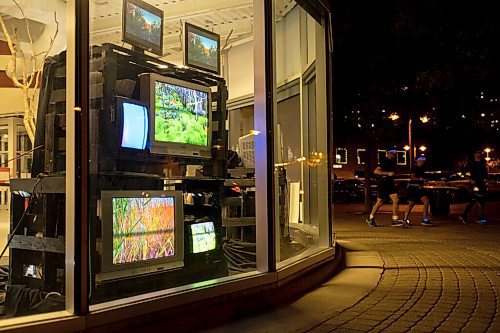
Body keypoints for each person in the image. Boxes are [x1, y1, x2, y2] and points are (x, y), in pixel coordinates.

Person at [366, 149, 401, 227]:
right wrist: (388, 173)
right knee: (380, 202)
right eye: (392, 153)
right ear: (389, 153)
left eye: (395, 153)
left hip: (390, 184)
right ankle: (371, 217)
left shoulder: (392, 162)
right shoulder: (384, 161)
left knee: (396, 200)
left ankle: (395, 220)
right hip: (383, 184)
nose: (394, 155)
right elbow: (376, 171)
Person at [459, 150, 488, 224]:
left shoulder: (483, 163)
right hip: (474, 184)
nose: (478, 154)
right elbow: (464, 174)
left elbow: (485, 174)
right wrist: (470, 179)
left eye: (479, 153)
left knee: (481, 201)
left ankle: (479, 218)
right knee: (473, 200)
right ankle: (464, 216)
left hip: (482, 184)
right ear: (474, 154)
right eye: (477, 153)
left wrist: (486, 179)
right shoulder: (471, 164)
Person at [403, 157, 432, 227]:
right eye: (421, 160)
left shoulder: (422, 169)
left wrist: (425, 181)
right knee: (411, 204)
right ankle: (405, 219)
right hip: (413, 188)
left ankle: (425, 219)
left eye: (423, 161)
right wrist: (421, 179)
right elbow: (412, 177)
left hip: (419, 188)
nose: (423, 162)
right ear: (417, 161)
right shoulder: (414, 168)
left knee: (426, 202)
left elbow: (422, 178)